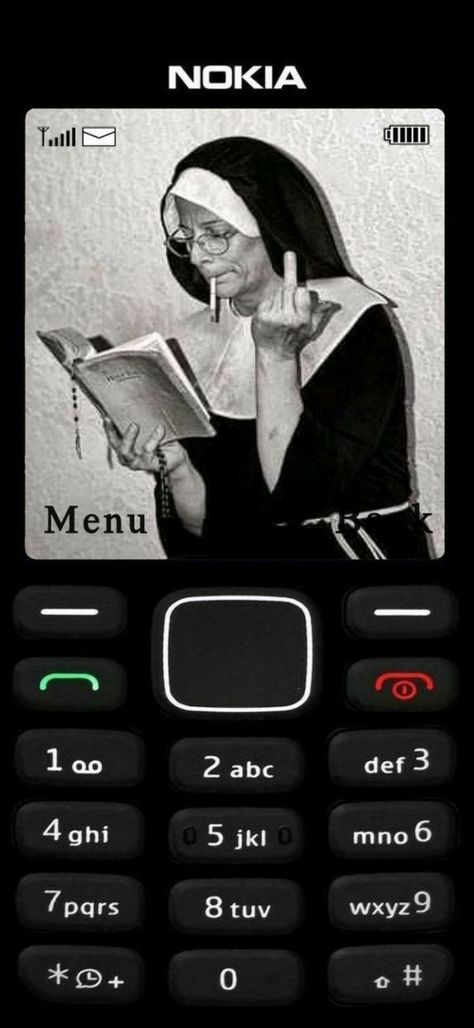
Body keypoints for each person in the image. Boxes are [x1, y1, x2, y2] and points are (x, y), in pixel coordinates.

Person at [104, 136, 430, 559]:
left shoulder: (354, 321)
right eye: (187, 237)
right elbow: (208, 530)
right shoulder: (190, 340)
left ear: (271, 227)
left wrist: (275, 355)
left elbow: (300, 498)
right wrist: (177, 467)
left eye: (216, 234)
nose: (198, 257)